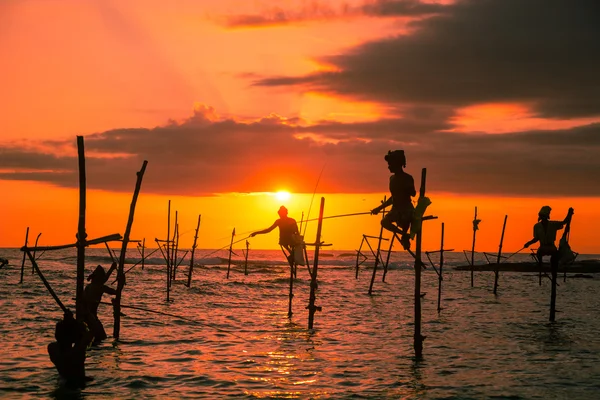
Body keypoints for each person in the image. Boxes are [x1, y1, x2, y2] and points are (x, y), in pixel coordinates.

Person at [371, 150, 416, 250]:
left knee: (405, 220)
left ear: (398, 164)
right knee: (384, 222)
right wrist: (378, 208)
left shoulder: (408, 178)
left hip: (406, 209)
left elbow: (413, 194)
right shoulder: (392, 179)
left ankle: (405, 236)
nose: (389, 166)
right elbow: (392, 198)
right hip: (395, 209)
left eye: (390, 164)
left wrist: (407, 188)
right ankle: (404, 234)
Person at [47, 309, 93, 386]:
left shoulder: (53, 349)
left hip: (63, 384)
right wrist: (79, 323)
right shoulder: (76, 353)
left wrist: (68, 323)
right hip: (77, 386)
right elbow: (88, 336)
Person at [82, 263, 119, 343]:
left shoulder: (88, 286)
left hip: (85, 315)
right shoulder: (100, 287)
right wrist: (121, 284)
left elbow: (104, 279)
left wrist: (112, 268)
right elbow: (115, 292)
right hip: (91, 316)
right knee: (102, 337)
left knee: (95, 338)